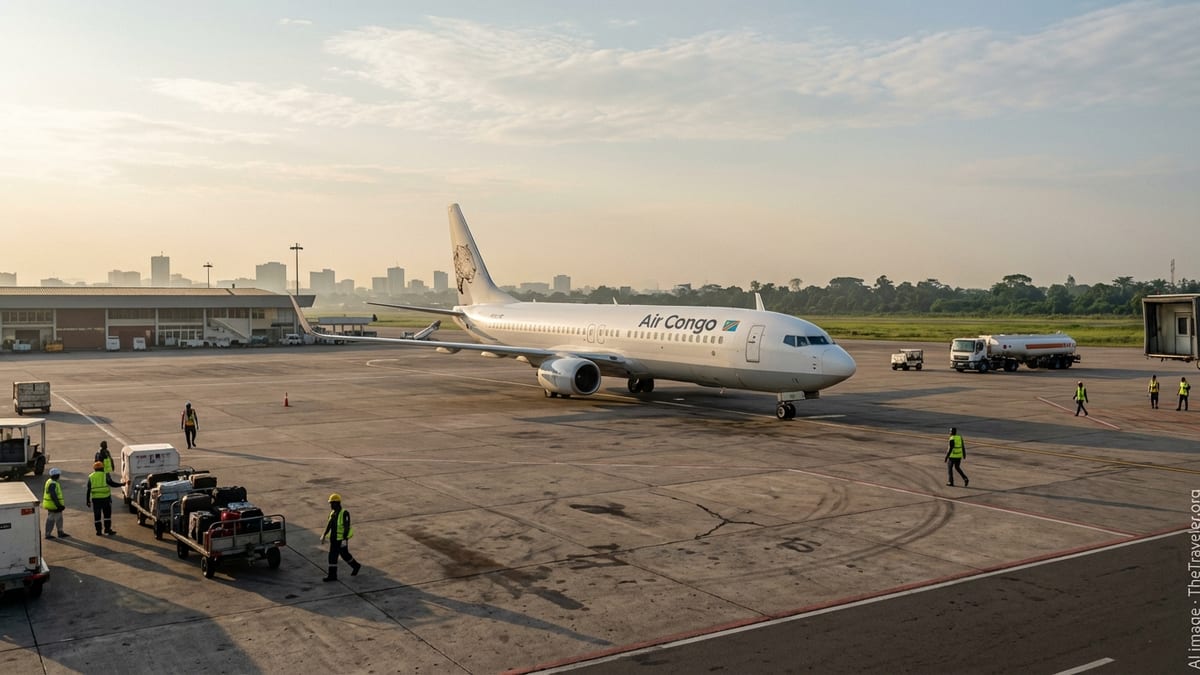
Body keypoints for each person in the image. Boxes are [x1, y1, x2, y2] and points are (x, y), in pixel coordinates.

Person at [320, 493, 362, 581]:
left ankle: (354, 567)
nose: (330, 505)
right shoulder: (333, 513)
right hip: (334, 539)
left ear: (337, 503)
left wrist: (344, 539)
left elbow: (346, 527)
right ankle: (335, 574)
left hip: (340, 540)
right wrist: (324, 534)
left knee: (339, 556)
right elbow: (329, 525)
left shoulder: (344, 513)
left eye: (332, 503)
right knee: (337, 556)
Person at [84, 460, 125, 536]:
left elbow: (88, 489)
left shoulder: (91, 476)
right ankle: (107, 530)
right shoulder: (105, 475)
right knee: (107, 515)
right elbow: (112, 484)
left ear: (95, 469)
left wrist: (87, 501)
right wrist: (122, 484)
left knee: (97, 516)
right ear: (102, 468)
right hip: (105, 499)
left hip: (96, 500)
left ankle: (98, 531)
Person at [43, 467, 70, 539]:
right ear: (56, 475)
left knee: (59, 518)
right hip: (53, 505)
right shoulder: (53, 483)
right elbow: (53, 495)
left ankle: (60, 532)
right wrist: (58, 505)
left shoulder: (50, 481)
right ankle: (48, 534)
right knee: (51, 519)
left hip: (52, 505)